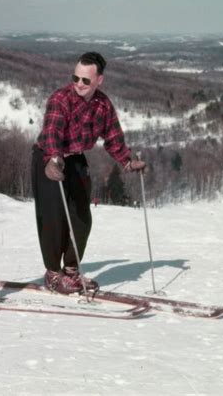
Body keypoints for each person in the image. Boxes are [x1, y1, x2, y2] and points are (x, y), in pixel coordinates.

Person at [32, 52, 145, 294]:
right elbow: (52, 132)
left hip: (76, 159)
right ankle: (53, 274)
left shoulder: (102, 104)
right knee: (54, 218)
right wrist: (53, 159)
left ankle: (71, 271)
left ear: (99, 80)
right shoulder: (61, 98)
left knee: (82, 217)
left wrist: (128, 161)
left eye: (86, 80)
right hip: (49, 159)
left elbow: (113, 139)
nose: (79, 84)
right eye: (76, 78)